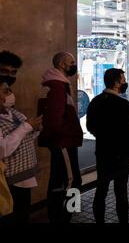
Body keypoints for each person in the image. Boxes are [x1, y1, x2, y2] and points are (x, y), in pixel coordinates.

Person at [86, 68, 129, 223]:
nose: (125, 82)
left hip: (103, 152)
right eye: (123, 79)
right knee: (121, 191)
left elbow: (90, 127)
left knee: (101, 189)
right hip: (121, 154)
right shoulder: (123, 104)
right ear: (116, 82)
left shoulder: (95, 101)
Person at [38, 52, 83, 223]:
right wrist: (68, 133)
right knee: (72, 180)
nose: (74, 65)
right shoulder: (57, 86)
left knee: (59, 180)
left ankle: (61, 216)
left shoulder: (58, 84)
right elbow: (55, 119)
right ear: (63, 64)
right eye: (72, 62)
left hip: (64, 140)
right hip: (63, 142)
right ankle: (65, 218)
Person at [0, 78, 42, 223]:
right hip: (9, 181)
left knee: (23, 213)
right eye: (6, 91)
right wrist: (26, 127)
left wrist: (36, 128)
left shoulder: (14, 112)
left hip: (25, 174)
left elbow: (28, 137)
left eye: (10, 90)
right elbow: (2, 149)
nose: (11, 94)